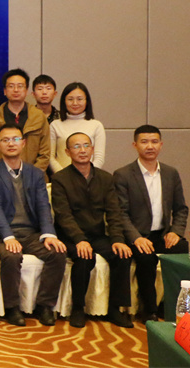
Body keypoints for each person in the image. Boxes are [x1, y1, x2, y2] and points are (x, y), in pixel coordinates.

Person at [0, 123, 66, 327]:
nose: (11, 143)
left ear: (24, 143)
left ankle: (45, 306)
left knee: (57, 253)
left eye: (15, 139)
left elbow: (43, 206)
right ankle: (12, 307)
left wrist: (48, 234)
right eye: (5, 140)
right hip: (2, 234)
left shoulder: (35, 173)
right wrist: (8, 237)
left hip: (30, 233)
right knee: (11, 256)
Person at [51, 132, 133, 328]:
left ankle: (114, 308)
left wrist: (117, 239)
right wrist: (79, 239)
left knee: (122, 255)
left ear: (93, 149)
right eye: (76, 146)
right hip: (70, 236)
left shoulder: (105, 178)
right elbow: (63, 215)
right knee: (84, 257)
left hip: (97, 235)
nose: (82, 150)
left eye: (86, 145)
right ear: (67, 152)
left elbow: (114, 213)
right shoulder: (60, 179)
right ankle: (78, 308)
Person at [114, 125, 190, 321]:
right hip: (137, 235)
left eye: (154, 142)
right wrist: (136, 238)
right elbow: (121, 213)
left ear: (161, 145)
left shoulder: (171, 173)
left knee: (182, 250)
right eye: (144, 142)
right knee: (146, 258)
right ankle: (150, 310)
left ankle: (171, 305)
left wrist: (175, 232)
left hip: (163, 234)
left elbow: (181, 208)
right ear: (135, 145)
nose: (150, 146)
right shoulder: (123, 174)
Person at [0, 69, 50, 171]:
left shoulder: (39, 117)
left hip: (34, 176)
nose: (16, 90)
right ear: (5, 91)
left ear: (26, 90)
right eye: (11, 86)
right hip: (1, 177)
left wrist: (31, 176)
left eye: (20, 86)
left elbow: (45, 153)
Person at [49, 82, 106, 171]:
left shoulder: (96, 125)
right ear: (64, 101)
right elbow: (50, 156)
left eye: (79, 99)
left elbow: (99, 158)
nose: (75, 103)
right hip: (62, 176)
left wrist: (88, 175)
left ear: (86, 101)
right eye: (70, 99)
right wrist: (62, 176)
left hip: (90, 177)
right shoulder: (55, 125)